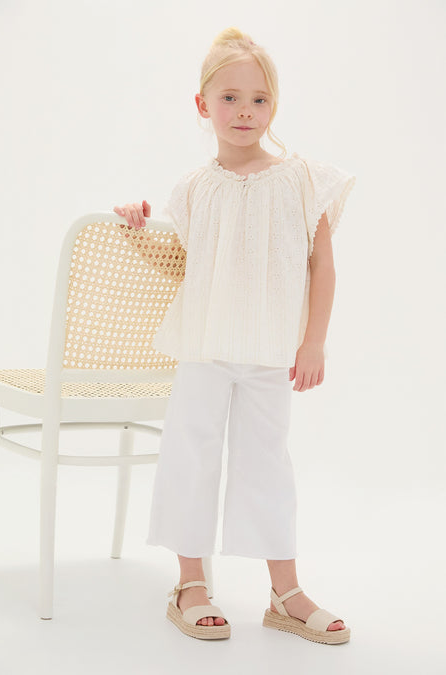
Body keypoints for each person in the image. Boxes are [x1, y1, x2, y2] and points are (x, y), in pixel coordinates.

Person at [114, 26, 356, 645]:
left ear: (274, 106)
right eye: (229, 98)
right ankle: (190, 584)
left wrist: (314, 341)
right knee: (190, 454)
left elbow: (322, 266)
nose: (245, 111)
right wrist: (139, 229)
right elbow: (181, 266)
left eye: (258, 99)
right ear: (203, 104)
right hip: (204, 348)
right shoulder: (193, 189)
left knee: (267, 461)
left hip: (270, 351)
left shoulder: (304, 180)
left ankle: (286, 592)